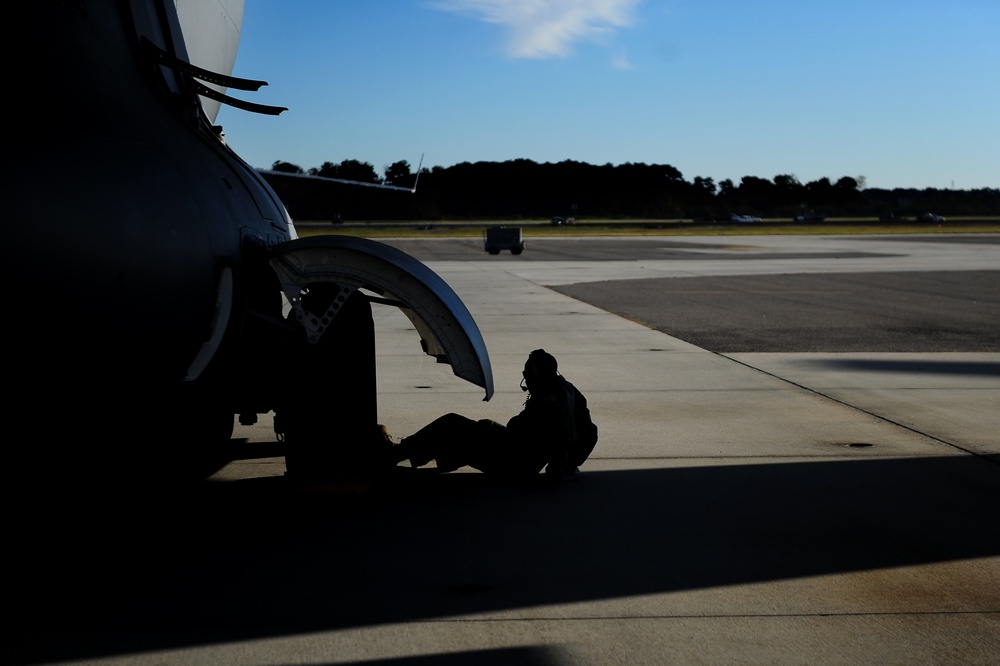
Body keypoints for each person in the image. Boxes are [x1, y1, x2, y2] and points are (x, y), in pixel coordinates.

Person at [388, 349, 598, 482]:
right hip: (519, 451)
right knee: (483, 424)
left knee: (452, 423)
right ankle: (413, 452)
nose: (525, 379)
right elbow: (589, 432)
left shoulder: (549, 403)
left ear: (538, 375)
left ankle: (394, 454)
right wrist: (571, 463)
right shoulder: (568, 390)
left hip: (514, 463)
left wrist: (556, 471)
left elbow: (560, 435)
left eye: (527, 374)